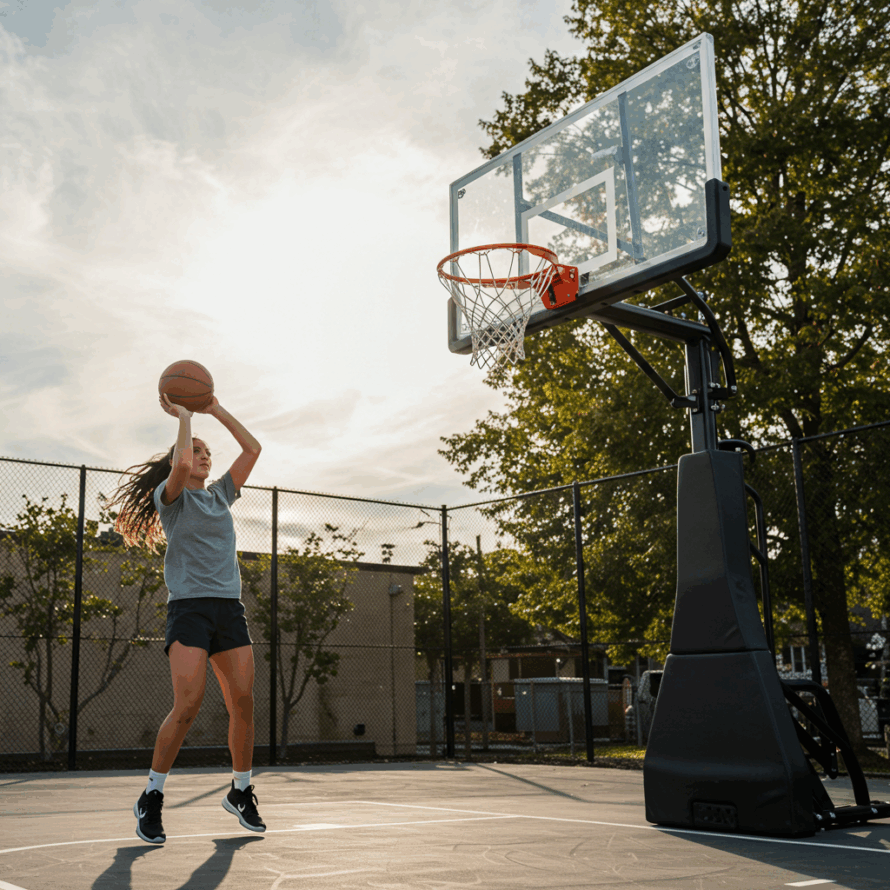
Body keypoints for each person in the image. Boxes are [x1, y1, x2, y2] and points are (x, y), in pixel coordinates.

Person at [107, 392, 263, 844]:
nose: (202, 456)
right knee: (188, 704)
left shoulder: (220, 496)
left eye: (206, 453)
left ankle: (241, 790)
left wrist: (215, 410)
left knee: (243, 703)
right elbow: (176, 467)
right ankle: (152, 796)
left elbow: (252, 449)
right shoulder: (170, 497)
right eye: (197, 450)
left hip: (228, 608)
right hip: (190, 608)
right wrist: (185, 418)